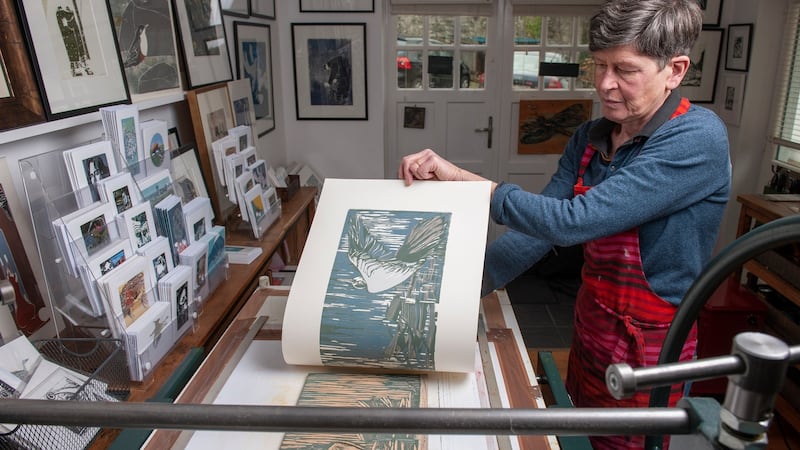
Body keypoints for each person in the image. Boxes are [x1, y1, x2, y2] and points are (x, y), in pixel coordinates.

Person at [398, 0, 730, 448]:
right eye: (599, 66)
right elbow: (536, 235)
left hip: (651, 347)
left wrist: (461, 180)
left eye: (624, 70)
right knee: (581, 433)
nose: (605, 84)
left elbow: (571, 222)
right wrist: (453, 294)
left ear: (675, 70)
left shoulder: (696, 139)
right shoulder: (591, 138)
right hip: (593, 325)